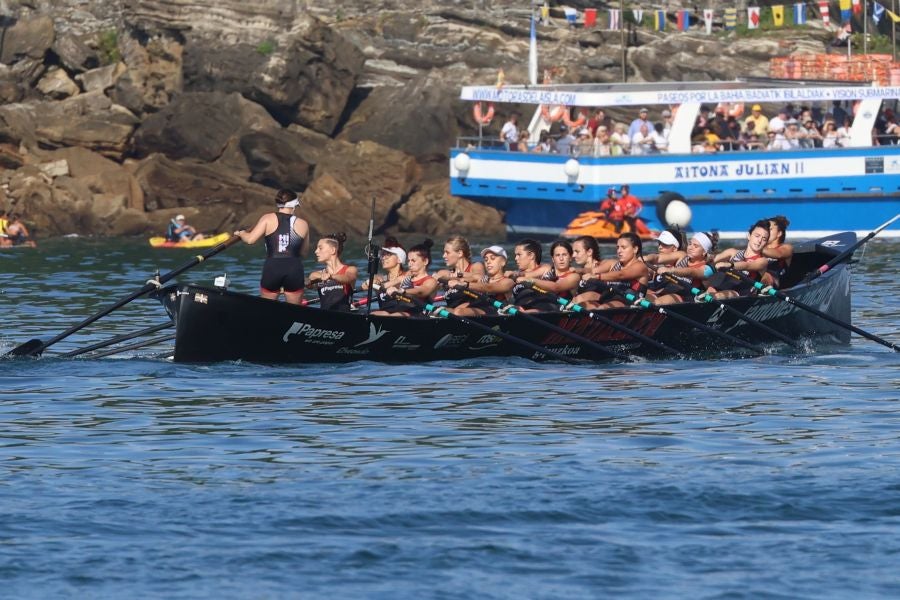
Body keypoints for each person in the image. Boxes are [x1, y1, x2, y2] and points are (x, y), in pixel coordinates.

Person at [235, 188, 310, 304]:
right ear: (294, 205)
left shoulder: (267, 218)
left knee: (267, 310)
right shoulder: (303, 224)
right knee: (295, 311)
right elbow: (304, 252)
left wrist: (241, 234)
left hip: (273, 268)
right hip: (294, 269)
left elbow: (250, 240)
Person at [571, 232, 649, 309]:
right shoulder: (615, 264)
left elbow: (621, 275)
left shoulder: (640, 266)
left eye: (623, 247)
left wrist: (596, 277)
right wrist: (575, 270)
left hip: (629, 302)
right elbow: (592, 271)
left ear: (635, 249)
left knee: (603, 308)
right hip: (608, 298)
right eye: (618, 247)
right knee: (581, 304)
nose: (619, 251)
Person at [706, 219, 771, 299]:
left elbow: (747, 265)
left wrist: (730, 265)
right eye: (757, 236)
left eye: (764, 239)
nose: (759, 241)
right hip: (722, 288)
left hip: (740, 295)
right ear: (749, 236)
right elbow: (713, 259)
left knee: (723, 294)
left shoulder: (762, 261)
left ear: (766, 243)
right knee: (710, 290)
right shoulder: (732, 252)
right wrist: (707, 258)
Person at [372, 239, 438, 317]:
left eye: (413, 261)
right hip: (399, 310)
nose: (409, 264)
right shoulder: (406, 277)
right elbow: (387, 284)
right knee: (375, 314)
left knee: (394, 315)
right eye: (408, 261)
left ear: (425, 261)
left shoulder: (431, 281)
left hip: (417, 314)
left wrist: (402, 291)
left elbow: (421, 291)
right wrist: (373, 283)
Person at [444, 245, 514, 317]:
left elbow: (490, 287)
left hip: (495, 311)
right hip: (480, 308)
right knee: (443, 311)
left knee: (458, 312)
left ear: (503, 262)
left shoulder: (508, 282)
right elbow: (472, 278)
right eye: (486, 259)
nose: (488, 262)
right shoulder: (483, 279)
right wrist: (453, 280)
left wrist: (465, 284)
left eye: (493, 258)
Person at [651, 231, 718, 304]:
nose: (690, 248)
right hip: (670, 290)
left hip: (688, 297)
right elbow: (658, 258)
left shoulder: (706, 268)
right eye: (690, 244)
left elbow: (691, 272)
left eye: (695, 246)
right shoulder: (683, 257)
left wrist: (671, 270)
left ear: (704, 252)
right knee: (647, 295)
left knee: (658, 302)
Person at [306, 232, 359, 312]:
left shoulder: (350, 270)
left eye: (320, 248)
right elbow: (309, 284)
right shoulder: (316, 275)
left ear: (333, 250)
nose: (316, 251)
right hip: (324, 316)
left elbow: (348, 278)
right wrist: (306, 283)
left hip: (344, 316)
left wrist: (331, 276)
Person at [507, 239, 558, 312]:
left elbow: (532, 274)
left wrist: (518, 275)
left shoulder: (545, 269)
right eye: (515, 255)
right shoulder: (514, 275)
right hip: (519, 308)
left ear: (531, 255)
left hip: (543, 306)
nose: (515, 258)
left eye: (519, 255)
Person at [761, 215, 793, 289]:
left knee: (766, 274)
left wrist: (757, 248)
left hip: (777, 283)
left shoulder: (787, 248)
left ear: (779, 233)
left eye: (770, 229)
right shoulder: (757, 249)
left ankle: (764, 289)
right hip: (752, 281)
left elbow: (779, 254)